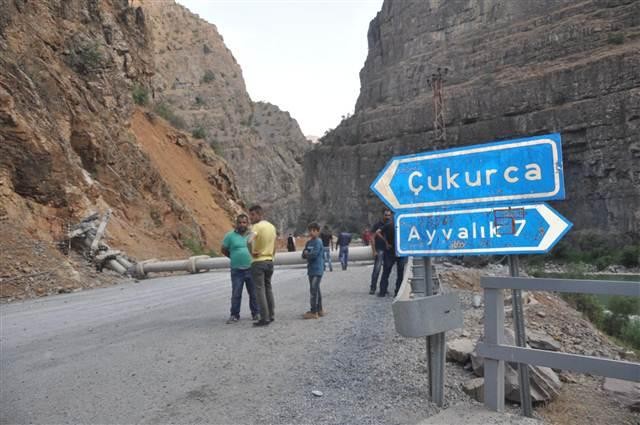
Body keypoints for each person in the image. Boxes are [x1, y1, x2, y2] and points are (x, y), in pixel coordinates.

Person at [221, 214, 260, 324]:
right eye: (240, 222)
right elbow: (223, 249)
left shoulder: (252, 235)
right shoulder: (229, 236)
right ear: (236, 224)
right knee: (236, 293)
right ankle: (234, 315)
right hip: (237, 270)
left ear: (247, 224)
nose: (242, 224)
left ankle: (256, 313)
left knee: (253, 293)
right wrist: (233, 256)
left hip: (251, 268)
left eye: (244, 222)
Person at [248, 205, 277, 327]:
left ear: (259, 214)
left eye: (253, 214)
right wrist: (272, 256)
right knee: (268, 288)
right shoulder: (271, 226)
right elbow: (274, 244)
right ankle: (271, 314)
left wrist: (252, 252)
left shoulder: (256, 227)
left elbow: (248, 241)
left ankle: (264, 318)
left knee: (259, 290)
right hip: (269, 261)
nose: (251, 217)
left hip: (258, 261)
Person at [377, 210, 407, 297]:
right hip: (401, 251)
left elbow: (378, 232)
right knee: (400, 273)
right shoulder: (404, 225)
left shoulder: (388, 225)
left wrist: (386, 243)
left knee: (386, 272)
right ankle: (397, 292)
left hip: (390, 251)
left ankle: (382, 292)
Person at [301, 222, 326, 319]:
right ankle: (320, 309)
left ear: (318, 231)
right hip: (311, 270)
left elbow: (314, 255)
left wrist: (307, 254)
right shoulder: (308, 242)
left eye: (314, 231)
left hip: (318, 269)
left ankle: (313, 311)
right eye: (310, 230)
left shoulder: (318, 242)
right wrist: (306, 254)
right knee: (316, 290)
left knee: (313, 290)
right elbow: (303, 254)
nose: (312, 232)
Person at [369, 209, 392, 295]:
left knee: (387, 270)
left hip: (389, 251)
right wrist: (374, 251)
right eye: (386, 215)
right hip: (379, 249)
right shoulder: (377, 225)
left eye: (389, 215)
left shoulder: (391, 224)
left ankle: (384, 288)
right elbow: (372, 238)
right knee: (377, 269)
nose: (387, 217)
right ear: (383, 215)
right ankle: (373, 287)